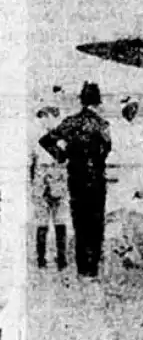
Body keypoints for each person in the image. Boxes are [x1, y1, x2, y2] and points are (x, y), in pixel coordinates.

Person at [39, 82, 111, 278]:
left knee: (79, 223)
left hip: (76, 178)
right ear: (97, 102)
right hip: (96, 179)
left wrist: (62, 156)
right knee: (96, 224)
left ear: (82, 101)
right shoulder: (102, 124)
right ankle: (92, 268)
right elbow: (107, 150)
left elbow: (45, 141)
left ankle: (81, 269)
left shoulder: (71, 122)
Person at [29, 105, 68, 270]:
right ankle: (43, 259)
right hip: (44, 181)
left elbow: (64, 159)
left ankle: (59, 258)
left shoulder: (58, 137)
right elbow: (32, 163)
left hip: (55, 179)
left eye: (47, 116)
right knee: (43, 222)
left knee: (59, 221)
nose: (45, 120)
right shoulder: (39, 137)